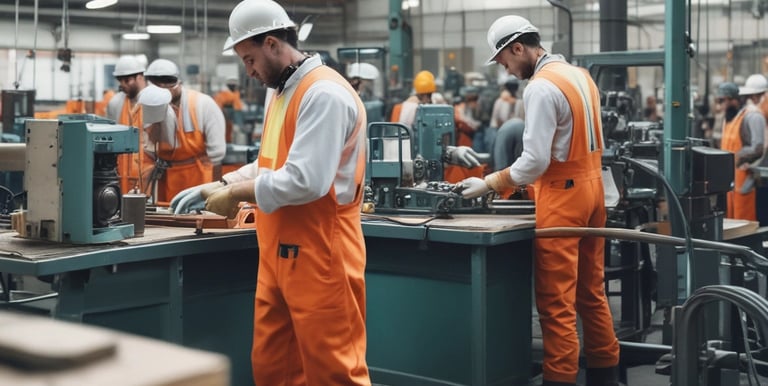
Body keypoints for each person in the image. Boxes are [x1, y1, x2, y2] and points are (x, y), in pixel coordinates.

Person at [175, 0, 372, 383]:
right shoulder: (281, 91)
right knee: (273, 368)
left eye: (249, 59)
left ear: (271, 43)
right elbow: (270, 164)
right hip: (277, 253)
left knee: (334, 371)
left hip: (322, 255)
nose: (247, 72)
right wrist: (220, 183)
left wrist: (236, 196)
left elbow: (306, 180)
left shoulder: (323, 94)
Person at [456, 15, 620, 386]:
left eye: (504, 60)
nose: (506, 69)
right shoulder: (580, 75)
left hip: (565, 198)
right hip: (595, 192)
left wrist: (489, 183)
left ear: (519, 48)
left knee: (556, 302)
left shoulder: (541, 87)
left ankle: (560, 378)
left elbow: (535, 162)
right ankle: (604, 373)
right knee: (591, 292)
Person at [141, 58, 226, 204]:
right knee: (166, 221)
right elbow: (147, 146)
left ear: (178, 82)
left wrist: (216, 193)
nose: (163, 87)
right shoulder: (150, 106)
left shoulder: (202, 104)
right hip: (165, 178)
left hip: (197, 178)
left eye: (168, 81)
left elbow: (217, 155)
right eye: (157, 83)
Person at [717, 81, 765, 221]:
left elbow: (757, 148)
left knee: (745, 223)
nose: (721, 105)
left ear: (734, 99)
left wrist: (737, 157)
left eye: (723, 100)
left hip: (745, 180)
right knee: (731, 222)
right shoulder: (729, 118)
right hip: (730, 180)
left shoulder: (752, 117)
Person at [106, 55, 149, 193]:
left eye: (127, 80)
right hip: (122, 174)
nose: (123, 84)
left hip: (147, 174)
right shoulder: (115, 104)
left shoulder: (153, 101)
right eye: (120, 80)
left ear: (140, 77)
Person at [214, 77, 244, 143]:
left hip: (235, 111)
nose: (234, 86)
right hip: (224, 111)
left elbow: (238, 104)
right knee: (226, 127)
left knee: (232, 127)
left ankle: (232, 138)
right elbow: (219, 104)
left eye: (234, 85)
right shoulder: (223, 93)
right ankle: (226, 140)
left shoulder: (236, 92)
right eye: (232, 85)